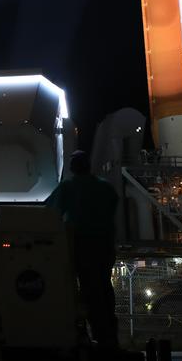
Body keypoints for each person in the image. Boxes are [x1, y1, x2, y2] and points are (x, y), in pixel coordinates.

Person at [46, 149, 120, 349]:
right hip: (105, 247)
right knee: (103, 288)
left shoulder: (68, 187)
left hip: (81, 246)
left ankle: (90, 334)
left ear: (73, 167)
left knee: (85, 290)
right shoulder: (106, 187)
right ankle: (109, 336)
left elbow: (50, 211)